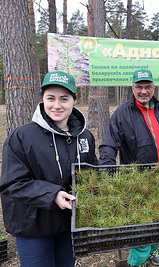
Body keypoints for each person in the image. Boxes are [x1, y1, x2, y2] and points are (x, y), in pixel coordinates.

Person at [0, 71, 97, 267]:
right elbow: (13, 183)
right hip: (34, 225)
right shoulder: (22, 136)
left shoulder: (85, 136)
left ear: (74, 101)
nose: (57, 105)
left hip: (69, 224)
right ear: (42, 99)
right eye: (51, 98)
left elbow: (91, 173)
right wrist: (53, 195)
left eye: (64, 99)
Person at [99, 69, 159, 267]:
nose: (144, 91)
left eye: (147, 87)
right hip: (137, 181)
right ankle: (137, 263)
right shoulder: (122, 113)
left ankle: (154, 249)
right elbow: (109, 144)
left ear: (154, 87)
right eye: (139, 87)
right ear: (132, 88)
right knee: (141, 226)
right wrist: (106, 170)